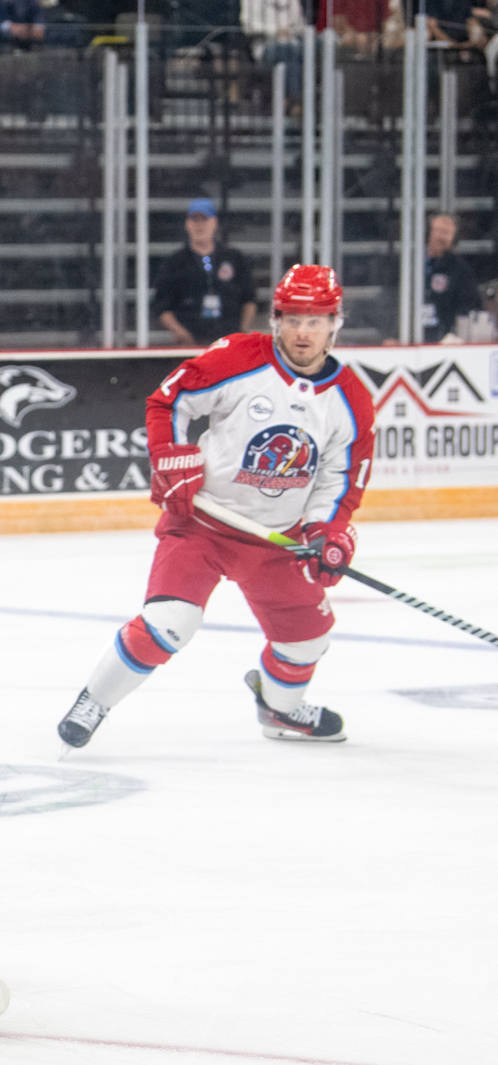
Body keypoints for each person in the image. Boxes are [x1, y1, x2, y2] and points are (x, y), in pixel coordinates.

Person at [57, 265, 375, 750]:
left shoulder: (351, 399)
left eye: (315, 320)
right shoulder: (240, 356)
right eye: (293, 318)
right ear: (276, 319)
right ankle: (94, 700)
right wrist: (172, 455)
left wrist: (327, 532)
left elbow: (340, 479)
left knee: (308, 639)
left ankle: (282, 711)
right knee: (169, 624)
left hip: (277, 541)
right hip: (203, 525)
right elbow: (169, 402)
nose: (303, 332)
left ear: (336, 322)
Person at [154, 199, 258, 347]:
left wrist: (242, 331)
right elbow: (162, 306)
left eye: (204, 219)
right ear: (187, 224)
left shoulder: (234, 258)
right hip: (191, 343)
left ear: (214, 223)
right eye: (194, 220)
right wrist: (180, 332)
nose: (199, 225)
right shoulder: (174, 263)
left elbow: (249, 299)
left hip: (229, 341)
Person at [421, 213, 481, 343]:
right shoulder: (410, 262)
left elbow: (468, 304)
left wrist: (454, 334)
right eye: (438, 231)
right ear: (427, 233)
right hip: (409, 334)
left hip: (443, 338)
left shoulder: (460, 268)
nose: (442, 237)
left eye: (447, 233)